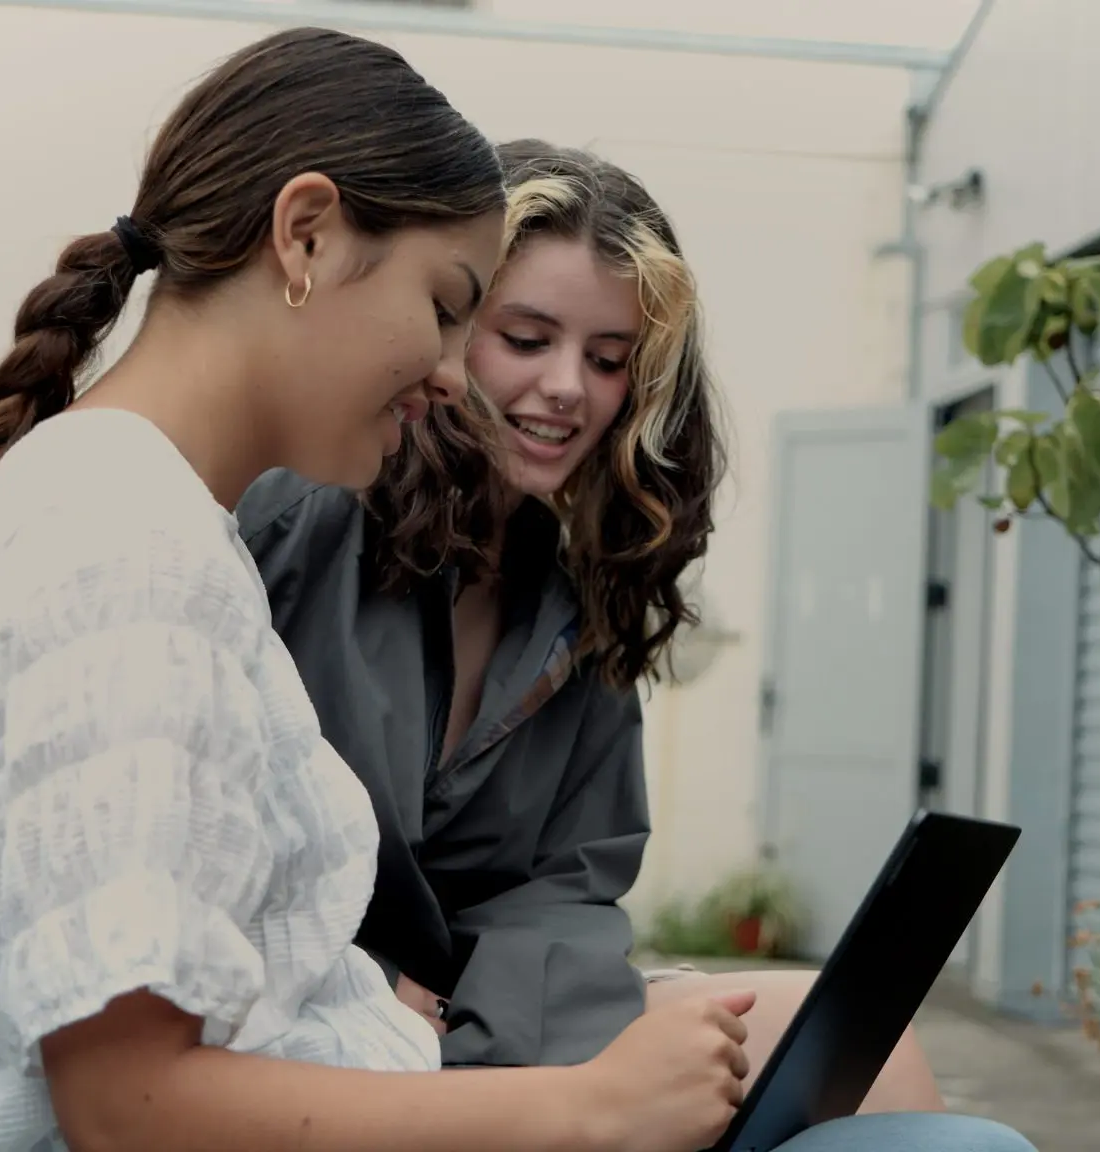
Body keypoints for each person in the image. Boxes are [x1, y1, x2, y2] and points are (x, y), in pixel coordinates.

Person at [0, 31, 783, 1152]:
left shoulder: (152, 528)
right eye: (451, 307)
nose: (452, 375)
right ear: (303, 238)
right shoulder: (122, 552)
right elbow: (126, 1109)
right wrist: (584, 1108)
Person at [239, 142, 1029, 1146]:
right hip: (309, 1024)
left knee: (879, 1059)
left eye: (608, 359)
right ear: (442, 325)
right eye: (524, 338)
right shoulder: (304, 517)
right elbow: (231, 821)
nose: (567, 387)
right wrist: (386, 989)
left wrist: (536, 1031)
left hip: (477, 1023)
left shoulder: (579, 601)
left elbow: (565, 883)